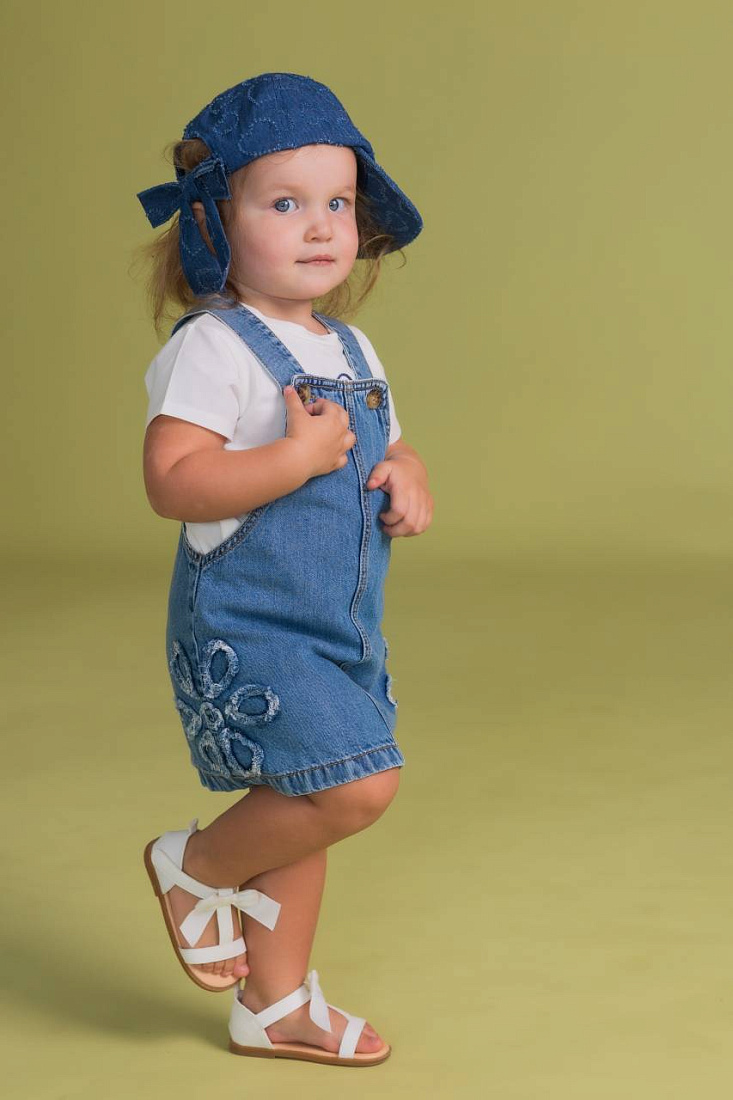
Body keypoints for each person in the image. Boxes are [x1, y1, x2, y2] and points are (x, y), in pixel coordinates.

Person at [135, 71, 433, 1067]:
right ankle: (193, 864)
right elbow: (174, 480)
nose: (319, 227)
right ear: (216, 222)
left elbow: (388, 440)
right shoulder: (213, 348)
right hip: (249, 624)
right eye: (284, 203)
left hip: (339, 624)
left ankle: (274, 1003)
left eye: (338, 203)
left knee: (303, 803)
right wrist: (292, 460)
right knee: (356, 784)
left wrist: (404, 471)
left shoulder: (350, 346)